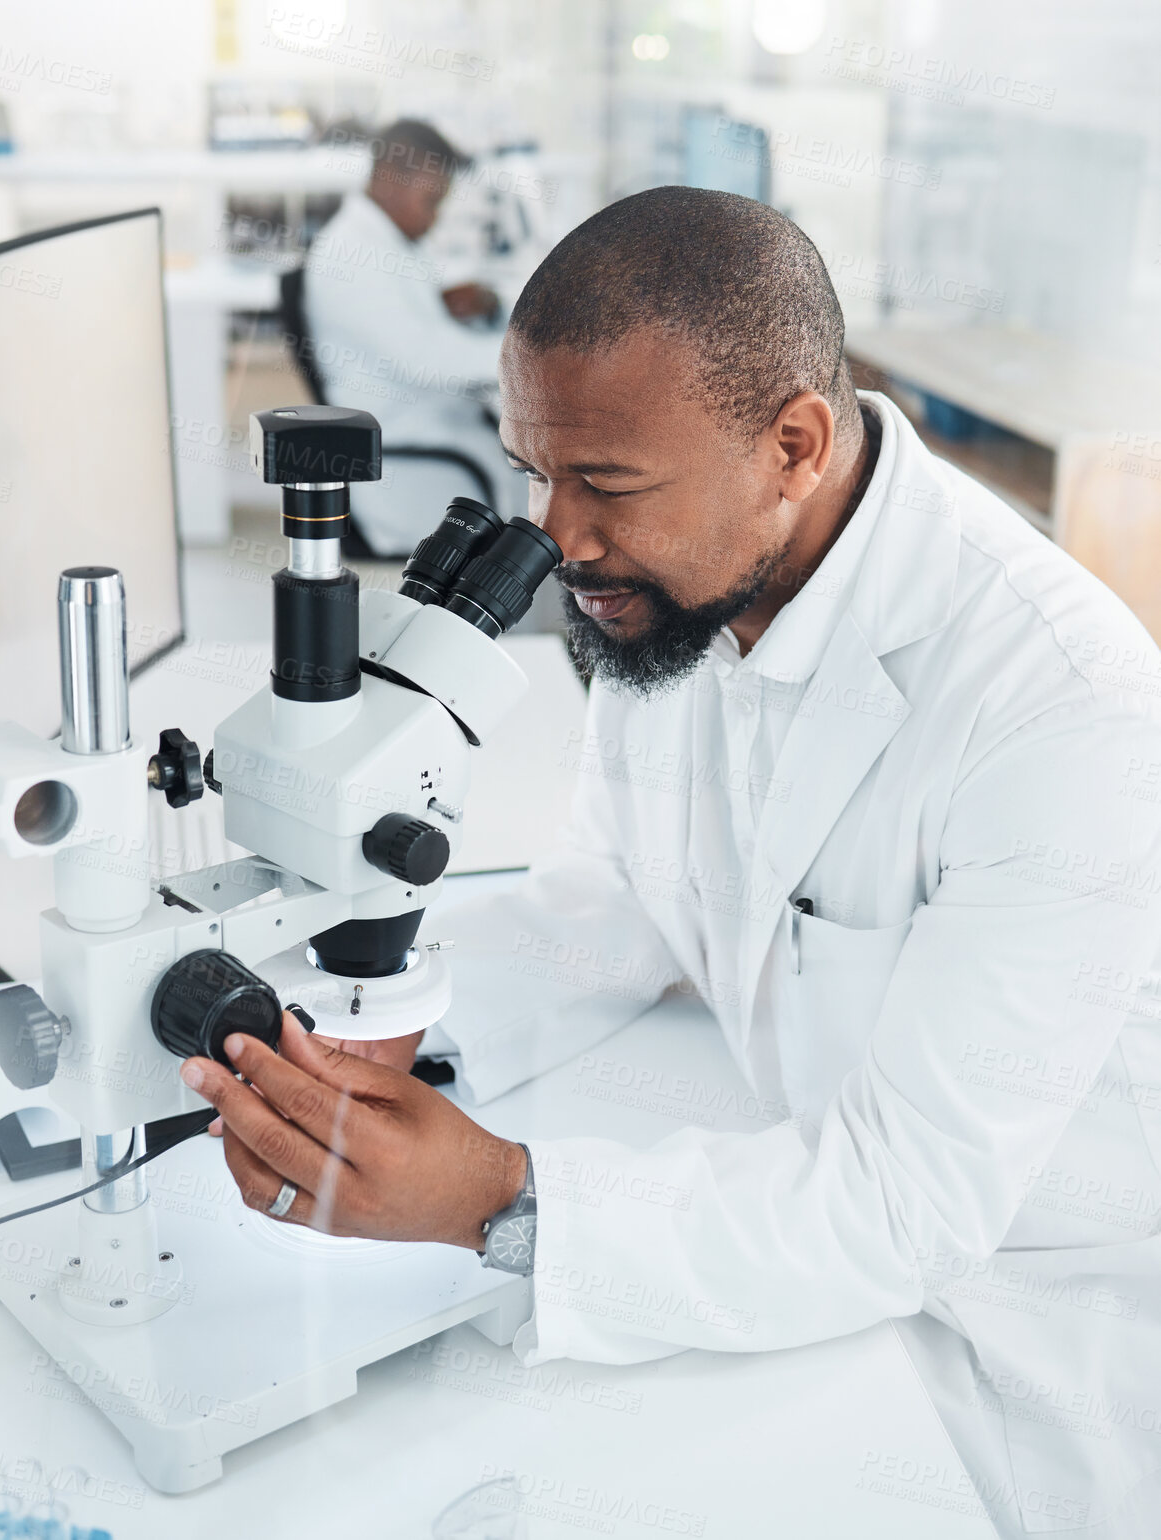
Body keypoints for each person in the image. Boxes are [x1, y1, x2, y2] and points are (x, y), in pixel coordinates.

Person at [185, 187, 1161, 1539]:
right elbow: (612, 906)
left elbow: (908, 1207)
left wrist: (504, 1202)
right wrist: (402, 1047)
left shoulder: (1062, 710)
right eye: (536, 472)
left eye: (606, 486)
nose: (559, 539)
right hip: (789, 1230)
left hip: (1021, 1346)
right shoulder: (672, 592)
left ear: (792, 445)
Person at [301, 119, 524, 554]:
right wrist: (528, 359)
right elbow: (426, 359)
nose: (434, 219)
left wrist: (481, 306)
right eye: (431, 201)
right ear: (390, 179)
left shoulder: (387, 243)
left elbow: (420, 336)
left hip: (437, 435)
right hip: (411, 468)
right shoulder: (351, 255)